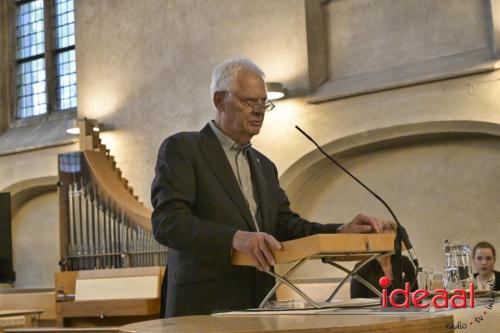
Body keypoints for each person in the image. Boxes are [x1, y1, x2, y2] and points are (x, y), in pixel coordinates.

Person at [151, 57, 382, 317]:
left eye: (263, 102)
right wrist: (236, 239)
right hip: (202, 308)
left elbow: (285, 226)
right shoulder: (183, 149)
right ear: (219, 101)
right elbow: (167, 223)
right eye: (249, 101)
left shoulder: (264, 165)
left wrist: (340, 232)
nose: (259, 111)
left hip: (259, 304)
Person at [350, 220, 417, 298]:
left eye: (392, 241)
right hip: (373, 310)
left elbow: (415, 294)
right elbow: (356, 300)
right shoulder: (362, 267)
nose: (388, 246)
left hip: (404, 309)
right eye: (385, 241)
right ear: (376, 241)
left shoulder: (405, 262)